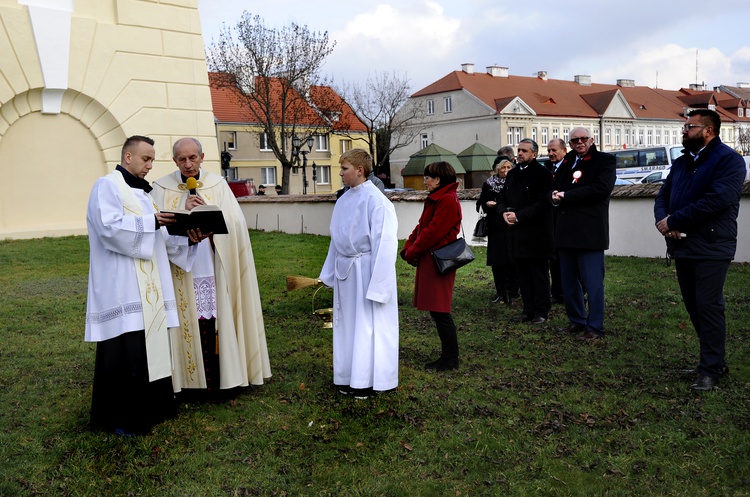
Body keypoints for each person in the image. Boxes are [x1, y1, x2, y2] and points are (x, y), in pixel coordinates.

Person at [85, 135, 205, 435]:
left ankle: (153, 408)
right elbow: (108, 228)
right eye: (146, 159)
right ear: (128, 157)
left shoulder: (143, 195)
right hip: (122, 285)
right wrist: (151, 222)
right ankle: (120, 418)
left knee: (147, 348)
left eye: (152, 159)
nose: (151, 165)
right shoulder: (107, 185)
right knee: (125, 350)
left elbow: (159, 241)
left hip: (148, 287)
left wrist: (186, 239)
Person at [152, 137, 271, 399]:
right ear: (174, 161)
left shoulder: (218, 185)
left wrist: (210, 217)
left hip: (215, 265)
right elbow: (156, 230)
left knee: (217, 319)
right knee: (188, 318)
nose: (188, 164)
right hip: (181, 268)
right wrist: (183, 227)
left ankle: (223, 379)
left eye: (192, 158)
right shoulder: (160, 188)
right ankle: (187, 383)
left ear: (202, 157)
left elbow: (236, 226)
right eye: (181, 159)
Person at [654, 109, 745, 391]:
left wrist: (675, 220)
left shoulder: (728, 160)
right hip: (682, 244)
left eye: (689, 127)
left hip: (712, 244)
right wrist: (664, 221)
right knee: (694, 305)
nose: (684, 131)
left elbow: (718, 200)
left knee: (708, 305)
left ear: (708, 130)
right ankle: (711, 360)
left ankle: (711, 369)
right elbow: (663, 195)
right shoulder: (682, 163)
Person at [319, 149, 399, 399]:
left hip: (366, 272)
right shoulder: (344, 199)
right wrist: (330, 272)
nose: (340, 173)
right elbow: (337, 240)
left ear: (360, 170)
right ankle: (346, 375)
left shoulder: (377, 201)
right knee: (346, 326)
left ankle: (366, 380)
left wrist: (379, 285)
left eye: (344, 169)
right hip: (347, 272)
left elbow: (385, 244)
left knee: (366, 326)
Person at [551, 127, 616, 340]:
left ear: (591, 139)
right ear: (569, 144)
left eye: (583, 139)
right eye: (575, 140)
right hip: (565, 231)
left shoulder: (605, 161)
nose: (579, 142)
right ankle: (577, 321)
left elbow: (601, 189)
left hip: (589, 231)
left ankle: (594, 327)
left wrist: (566, 196)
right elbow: (553, 186)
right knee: (569, 283)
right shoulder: (568, 162)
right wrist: (552, 195)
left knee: (593, 283)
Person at [401, 161, 462, 371]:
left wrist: (412, 252)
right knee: (437, 310)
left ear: (438, 179)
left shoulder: (446, 200)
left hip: (439, 260)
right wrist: (408, 247)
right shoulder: (439, 199)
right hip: (432, 259)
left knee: (440, 310)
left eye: (428, 177)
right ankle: (449, 356)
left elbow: (432, 233)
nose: (425, 181)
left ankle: (450, 357)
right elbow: (422, 227)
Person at [501, 139, 554, 324]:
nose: (520, 153)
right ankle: (527, 309)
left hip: (537, 233)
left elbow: (543, 203)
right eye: (519, 150)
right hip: (517, 233)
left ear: (534, 154)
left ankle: (541, 311)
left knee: (538, 273)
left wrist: (520, 216)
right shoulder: (513, 174)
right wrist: (503, 212)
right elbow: (503, 197)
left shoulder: (543, 174)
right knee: (522, 273)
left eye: (524, 150)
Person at [476, 156, 517, 304]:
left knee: (512, 261)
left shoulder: (515, 183)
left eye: (508, 168)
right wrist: (487, 203)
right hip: (495, 227)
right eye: (502, 168)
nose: (505, 171)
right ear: (496, 170)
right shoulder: (488, 184)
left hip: (512, 226)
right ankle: (501, 293)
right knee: (497, 261)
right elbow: (480, 204)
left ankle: (514, 292)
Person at [546, 139, 567, 304]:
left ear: (564, 150)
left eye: (554, 150)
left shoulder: (569, 168)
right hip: (551, 221)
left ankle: (570, 292)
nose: (551, 154)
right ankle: (557, 292)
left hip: (566, 219)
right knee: (554, 259)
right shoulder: (548, 168)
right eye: (549, 151)